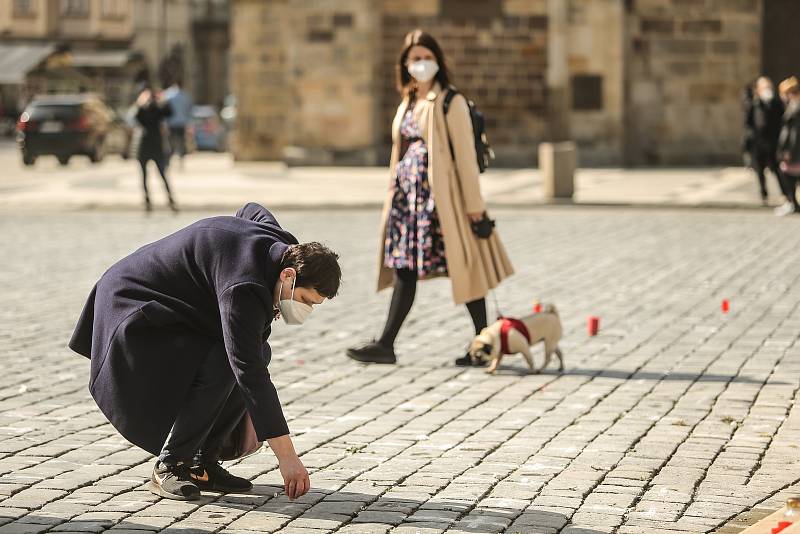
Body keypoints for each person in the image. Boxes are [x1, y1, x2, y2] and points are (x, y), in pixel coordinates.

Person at [68, 202, 341, 501]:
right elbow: (249, 372)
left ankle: (202, 463)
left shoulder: (281, 246)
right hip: (131, 309)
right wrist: (287, 457)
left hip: (172, 311)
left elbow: (250, 209)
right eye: (305, 299)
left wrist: (215, 255)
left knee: (258, 352)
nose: (305, 310)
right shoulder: (244, 287)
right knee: (228, 361)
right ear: (288, 276)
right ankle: (171, 465)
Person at [346, 29, 513, 367]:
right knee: (404, 269)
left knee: (465, 266)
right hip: (409, 204)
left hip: (442, 203)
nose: (421, 64)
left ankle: (484, 342)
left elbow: (465, 159)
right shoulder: (409, 101)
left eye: (427, 58)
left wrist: (474, 208)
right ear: (405, 65)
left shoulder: (451, 102)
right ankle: (386, 343)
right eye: (415, 59)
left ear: (437, 61)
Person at [743, 77, 785, 206]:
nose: (767, 90)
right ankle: (764, 194)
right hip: (758, 142)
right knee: (759, 170)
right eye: (764, 87)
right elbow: (748, 122)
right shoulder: (754, 104)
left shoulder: (776, 103)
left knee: (777, 169)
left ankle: (785, 194)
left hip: (773, 142)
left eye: (768, 87)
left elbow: (781, 121)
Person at [135, 88, 177, 212]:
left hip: (150, 146)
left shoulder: (154, 111)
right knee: (150, 176)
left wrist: (142, 103)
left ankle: (167, 199)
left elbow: (169, 113)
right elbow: (137, 118)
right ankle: (150, 200)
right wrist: (161, 101)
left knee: (159, 175)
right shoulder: (146, 111)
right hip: (149, 147)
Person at [777, 76, 800, 215]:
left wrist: (789, 151)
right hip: (793, 149)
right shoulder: (793, 106)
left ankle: (792, 203)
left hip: (794, 150)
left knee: (787, 175)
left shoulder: (796, 108)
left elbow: (795, 133)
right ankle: (792, 202)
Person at [164, 80, 193, 170]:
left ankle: (168, 162)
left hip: (171, 123)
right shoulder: (186, 96)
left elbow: (164, 110)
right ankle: (181, 162)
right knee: (181, 143)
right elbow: (189, 111)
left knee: (170, 143)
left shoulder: (168, 95)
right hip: (181, 123)